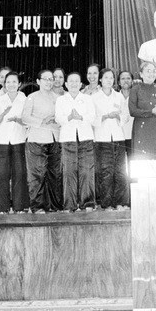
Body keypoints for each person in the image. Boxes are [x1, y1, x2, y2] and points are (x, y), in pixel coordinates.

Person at [56, 72, 96, 211]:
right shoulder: (61, 100)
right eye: (70, 81)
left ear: (81, 84)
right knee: (69, 172)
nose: (73, 84)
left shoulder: (87, 99)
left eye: (76, 81)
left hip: (85, 138)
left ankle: (88, 203)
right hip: (67, 139)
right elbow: (58, 118)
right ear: (66, 84)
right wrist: (68, 117)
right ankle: (70, 204)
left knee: (86, 172)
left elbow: (92, 117)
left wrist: (80, 117)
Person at [23, 70, 61, 214]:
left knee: (54, 175)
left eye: (51, 79)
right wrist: (41, 121)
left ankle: (54, 206)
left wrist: (55, 120)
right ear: (38, 81)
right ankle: (37, 206)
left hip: (54, 138)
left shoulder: (57, 98)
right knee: (37, 175)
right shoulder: (31, 97)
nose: (49, 82)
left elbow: (61, 117)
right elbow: (25, 117)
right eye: (45, 79)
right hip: (36, 139)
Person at [0, 71, 28, 214]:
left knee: (19, 173)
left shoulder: (25, 100)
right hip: (1, 141)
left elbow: (28, 121)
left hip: (19, 140)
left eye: (14, 82)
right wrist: (4, 113)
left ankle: (19, 207)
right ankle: (1, 207)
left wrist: (19, 120)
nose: (11, 84)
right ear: (4, 84)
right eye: (8, 82)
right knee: (0, 174)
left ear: (19, 84)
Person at [92, 69, 128, 210]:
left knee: (120, 171)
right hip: (102, 138)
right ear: (100, 80)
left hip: (118, 137)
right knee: (106, 172)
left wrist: (118, 116)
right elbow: (92, 119)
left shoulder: (119, 97)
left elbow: (125, 116)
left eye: (111, 78)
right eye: (106, 77)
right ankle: (106, 204)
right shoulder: (94, 98)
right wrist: (105, 116)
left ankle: (121, 202)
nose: (109, 80)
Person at [129, 62, 156, 160]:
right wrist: (151, 111)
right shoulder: (135, 89)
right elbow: (132, 111)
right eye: (148, 71)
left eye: (154, 71)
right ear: (141, 74)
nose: (151, 74)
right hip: (143, 130)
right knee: (144, 161)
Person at [117, 71, 134, 159]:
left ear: (132, 81)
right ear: (119, 82)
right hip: (119, 136)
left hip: (133, 135)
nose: (125, 81)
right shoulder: (114, 97)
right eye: (123, 79)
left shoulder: (137, 96)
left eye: (128, 78)